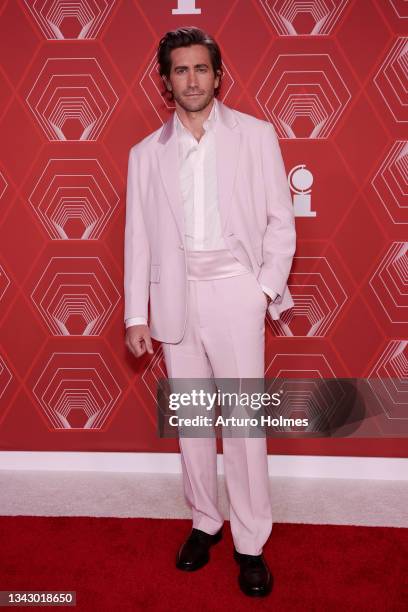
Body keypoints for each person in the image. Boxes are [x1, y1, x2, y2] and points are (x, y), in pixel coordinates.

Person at [124, 26, 296, 597]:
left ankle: (251, 542)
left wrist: (263, 289)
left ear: (218, 75)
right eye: (180, 70)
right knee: (194, 420)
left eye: (201, 69)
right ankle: (205, 521)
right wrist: (135, 315)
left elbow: (280, 220)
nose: (192, 80)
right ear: (165, 80)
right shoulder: (145, 154)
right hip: (175, 297)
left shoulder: (255, 136)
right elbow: (137, 240)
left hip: (234, 289)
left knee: (244, 425)